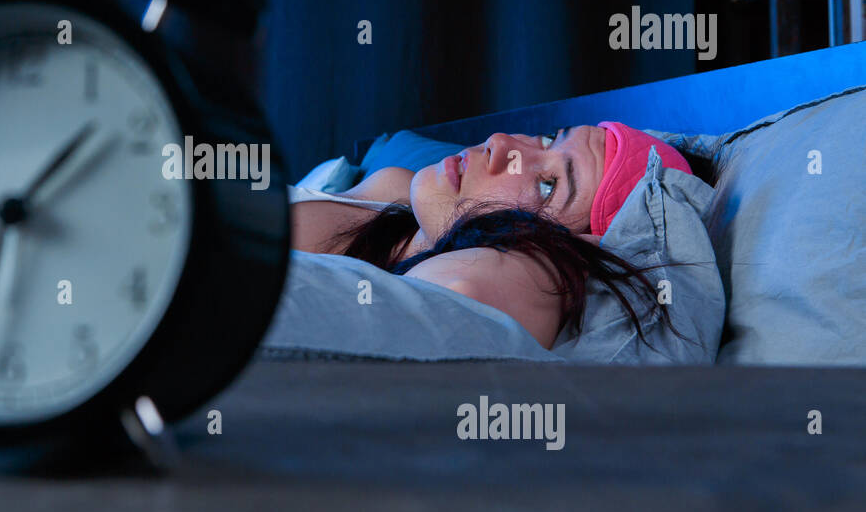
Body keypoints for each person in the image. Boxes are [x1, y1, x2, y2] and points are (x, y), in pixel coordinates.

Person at [289, 122, 696, 350]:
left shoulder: (517, 278)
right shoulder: (395, 188)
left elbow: (461, 296)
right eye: (550, 139)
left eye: (548, 186)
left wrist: (557, 263)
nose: (501, 144)